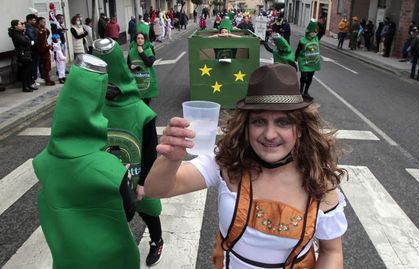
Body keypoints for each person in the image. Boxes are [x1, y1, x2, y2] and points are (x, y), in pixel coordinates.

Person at [144, 64, 347, 268]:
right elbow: (156, 189)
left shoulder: (319, 180)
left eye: (283, 122)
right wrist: (171, 158)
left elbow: (331, 251)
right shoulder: (227, 162)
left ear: (300, 129)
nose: (269, 134)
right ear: (246, 126)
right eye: (259, 121)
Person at [33, 54, 140, 269]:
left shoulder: (42, 161)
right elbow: (128, 214)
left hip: (67, 257)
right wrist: (125, 179)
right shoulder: (110, 169)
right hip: (109, 259)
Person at [93, 38, 164, 266]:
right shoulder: (92, 109)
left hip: (138, 173)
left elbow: (151, 151)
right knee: (112, 214)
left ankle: (157, 240)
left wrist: (143, 182)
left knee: (149, 211)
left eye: (113, 84)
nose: (110, 91)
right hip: (107, 175)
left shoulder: (140, 110)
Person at [128, 33, 158, 104]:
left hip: (146, 78)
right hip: (136, 78)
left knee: (146, 100)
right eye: (138, 38)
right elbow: (128, 62)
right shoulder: (132, 50)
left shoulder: (148, 50)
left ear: (145, 40)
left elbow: (149, 63)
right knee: (138, 100)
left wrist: (141, 52)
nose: (140, 40)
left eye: (142, 38)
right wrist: (130, 65)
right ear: (135, 40)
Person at [295, 20, 321, 98]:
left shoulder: (317, 38)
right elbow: (298, 49)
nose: (313, 33)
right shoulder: (302, 40)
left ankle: (306, 91)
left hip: (313, 62)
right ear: (308, 31)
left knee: (310, 77)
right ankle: (301, 90)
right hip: (304, 61)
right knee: (303, 76)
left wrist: (317, 22)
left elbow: (322, 29)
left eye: (315, 32)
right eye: (312, 32)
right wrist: (295, 58)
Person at [8, 19, 35, 92]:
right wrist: (29, 42)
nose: (21, 25)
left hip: (26, 53)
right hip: (22, 54)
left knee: (28, 70)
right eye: (19, 24)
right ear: (15, 26)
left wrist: (28, 41)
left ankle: (29, 85)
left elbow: (27, 39)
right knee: (25, 71)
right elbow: (25, 41)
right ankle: (25, 86)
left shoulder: (20, 33)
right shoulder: (15, 34)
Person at [36, 17, 55, 86]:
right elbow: (41, 42)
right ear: (40, 22)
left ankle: (47, 79)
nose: (45, 23)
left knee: (47, 66)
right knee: (46, 66)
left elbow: (45, 39)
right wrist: (47, 47)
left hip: (45, 49)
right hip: (43, 50)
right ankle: (47, 80)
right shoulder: (39, 30)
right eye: (43, 22)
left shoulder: (44, 30)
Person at [25, 13, 39, 88]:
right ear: (29, 20)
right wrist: (38, 40)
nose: (35, 21)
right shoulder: (29, 28)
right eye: (33, 20)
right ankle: (32, 81)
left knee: (34, 65)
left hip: (35, 49)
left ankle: (34, 80)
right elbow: (33, 38)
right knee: (32, 66)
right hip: (32, 50)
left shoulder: (33, 27)